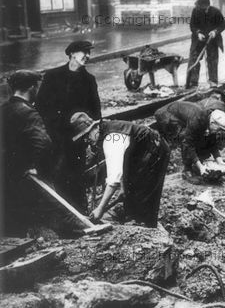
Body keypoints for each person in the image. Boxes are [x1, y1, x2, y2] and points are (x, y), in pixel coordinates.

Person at [70, 112, 170, 228]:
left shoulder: (111, 139)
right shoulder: (105, 130)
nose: (87, 140)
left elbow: (113, 180)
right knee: (132, 192)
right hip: (141, 151)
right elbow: (121, 163)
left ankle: (143, 226)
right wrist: (123, 188)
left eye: (87, 136)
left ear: (95, 128)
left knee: (143, 192)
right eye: (84, 138)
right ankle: (135, 220)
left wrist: (100, 209)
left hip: (154, 148)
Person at [36, 40, 101, 215]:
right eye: (84, 52)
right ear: (72, 53)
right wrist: (53, 126)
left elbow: (96, 111)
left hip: (77, 138)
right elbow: (40, 105)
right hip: (55, 135)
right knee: (56, 174)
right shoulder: (53, 76)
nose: (87, 56)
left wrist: (88, 129)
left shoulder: (89, 80)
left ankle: (79, 214)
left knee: (76, 175)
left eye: (89, 53)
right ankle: (59, 216)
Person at [1, 71, 56, 236]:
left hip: (6, 175)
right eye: (37, 86)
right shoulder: (28, 113)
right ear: (32, 87)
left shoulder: (3, 110)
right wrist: (37, 167)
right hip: (24, 177)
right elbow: (44, 143)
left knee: (10, 223)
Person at [154, 100, 225, 183]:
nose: (219, 131)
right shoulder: (198, 120)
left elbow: (212, 144)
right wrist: (200, 167)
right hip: (167, 115)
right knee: (185, 138)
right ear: (212, 123)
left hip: (182, 116)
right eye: (219, 129)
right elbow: (188, 144)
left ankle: (197, 166)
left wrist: (221, 162)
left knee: (204, 139)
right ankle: (187, 170)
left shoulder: (209, 120)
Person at [186, 0, 225, 89]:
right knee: (194, 58)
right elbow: (192, 25)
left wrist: (215, 31)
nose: (201, 10)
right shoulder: (195, 11)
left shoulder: (215, 12)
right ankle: (193, 82)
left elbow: (222, 24)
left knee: (212, 59)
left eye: (203, 8)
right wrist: (198, 33)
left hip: (212, 39)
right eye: (200, 8)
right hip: (199, 39)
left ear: (208, 6)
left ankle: (213, 81)